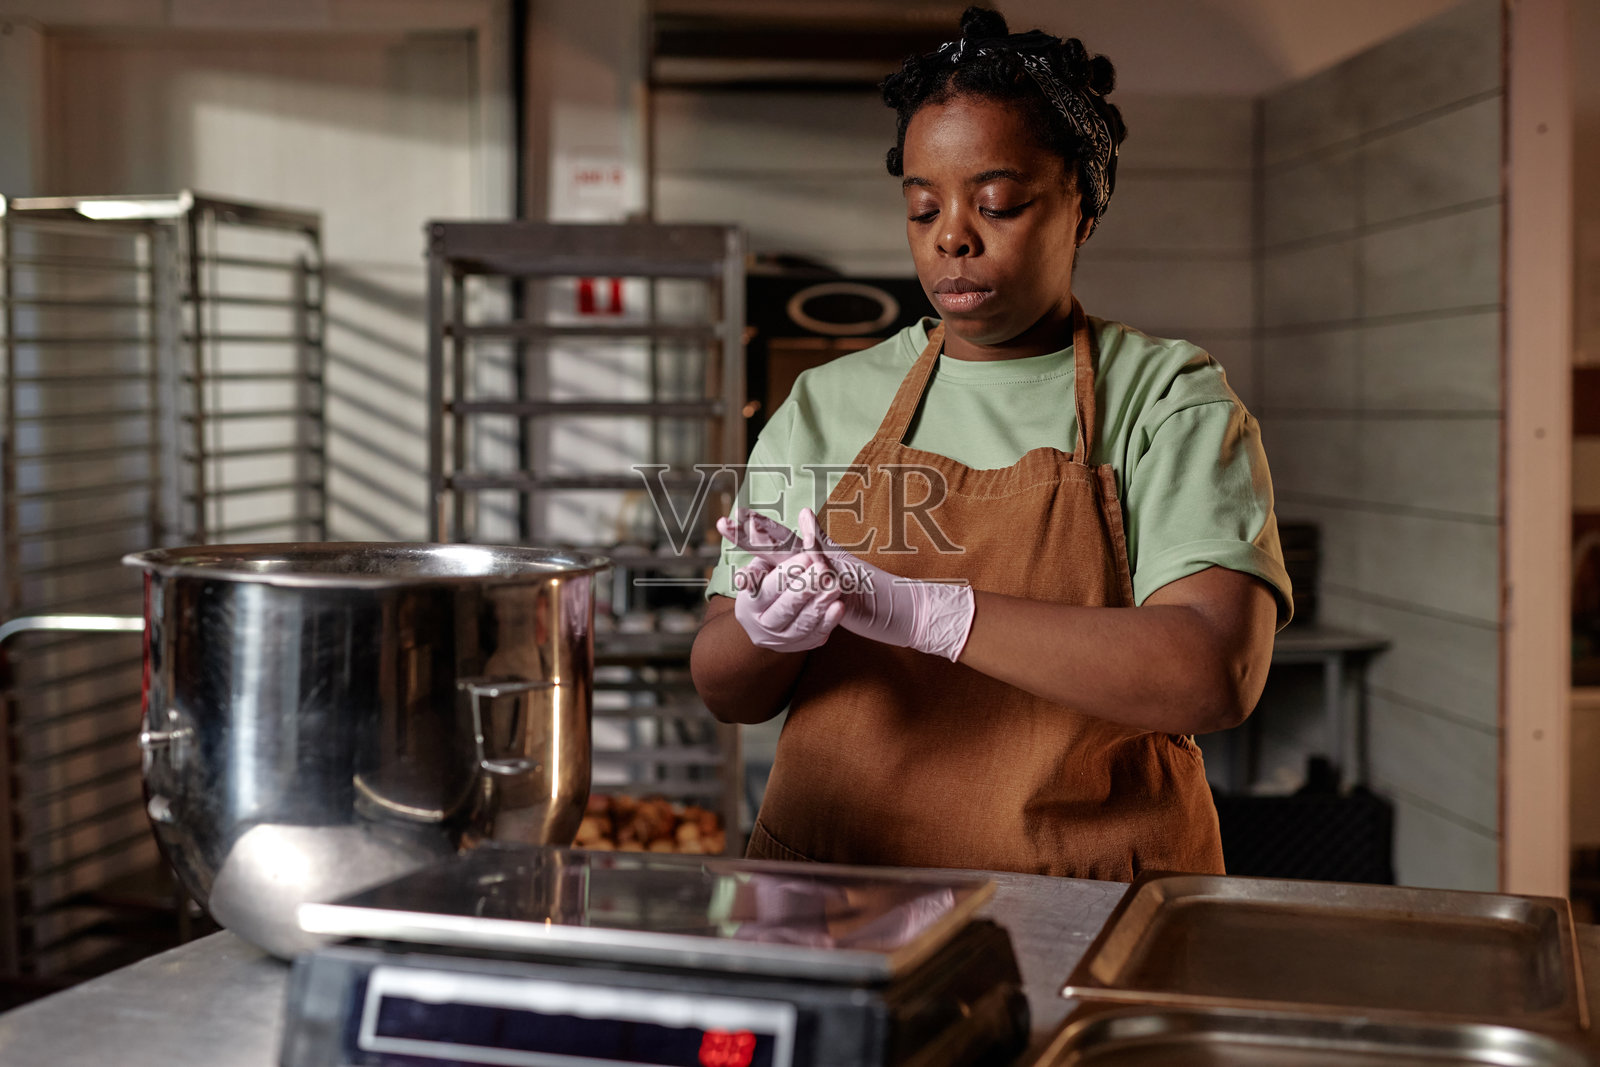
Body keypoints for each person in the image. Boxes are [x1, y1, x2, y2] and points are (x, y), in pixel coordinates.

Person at [689, 7, 1293, 880]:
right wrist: (765, 629)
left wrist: (928, 613)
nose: (952, 234)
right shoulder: (829, 402)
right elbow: (723, 685)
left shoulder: (1164, 398)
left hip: (1085, 901)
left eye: (998, 202)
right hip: (840, 892)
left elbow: (1214, 669)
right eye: (923, 206)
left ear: (1079, 208)